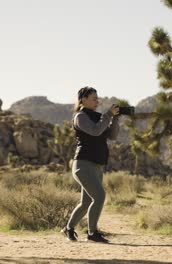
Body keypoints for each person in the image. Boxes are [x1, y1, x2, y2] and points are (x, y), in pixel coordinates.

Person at [61, 86, 120, 243]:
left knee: (86, 202)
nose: (97, 101)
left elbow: (112, 135)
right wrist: (108, 115)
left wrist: (115, 118)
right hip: (83, 165)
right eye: (94, 98)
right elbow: (95, 131)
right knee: (99, 196)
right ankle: (92, 233)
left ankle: (68, 228)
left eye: (97, 98)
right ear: (83, 100)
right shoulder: (80, 117)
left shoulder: (99, 117)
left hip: (97, 165)